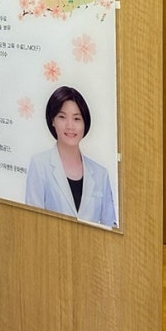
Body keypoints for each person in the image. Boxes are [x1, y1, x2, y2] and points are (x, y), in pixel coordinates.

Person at [25, 86, 116, 227]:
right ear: (52, 120)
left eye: (76, 119)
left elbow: (110, 227)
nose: (70, 126)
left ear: (85, 123)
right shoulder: (39, 165)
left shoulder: (101, 174)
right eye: (62, 117)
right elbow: (33, 223)